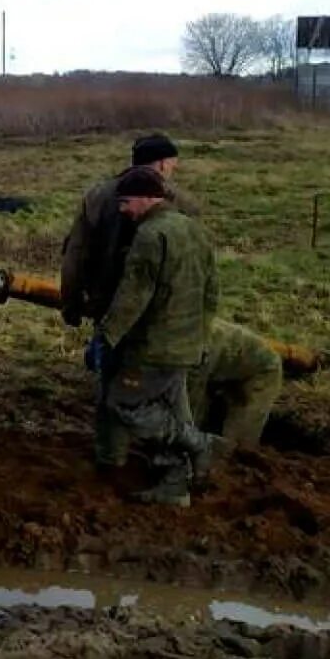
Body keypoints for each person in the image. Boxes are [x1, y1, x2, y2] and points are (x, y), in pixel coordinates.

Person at [87, 166, 223, 507]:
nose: (122, 210)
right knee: (172, 411)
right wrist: (202, 339)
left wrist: (106, 337)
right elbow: (212, 292)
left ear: (149, 198)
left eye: (127, 202)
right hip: (186, 345)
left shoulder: (150, 236)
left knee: (125, 403)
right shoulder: (195, 230)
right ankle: (176, 486)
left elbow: (134, 296)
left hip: (153, 348)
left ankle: (197, 442)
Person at [61, 133, 200, 329]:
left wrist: (70, 302)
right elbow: (193, 264)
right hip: (160, 313)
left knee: (109, 354)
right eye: (172, 163)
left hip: (106, 305)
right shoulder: (181, 203)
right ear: (162, 164)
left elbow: (75, 254)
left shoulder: (96, 196)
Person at [191, 319, 283, 449]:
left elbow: (187, 414)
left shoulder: (191, 350)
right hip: (217, 368)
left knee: (236, 450)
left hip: (259, 372)